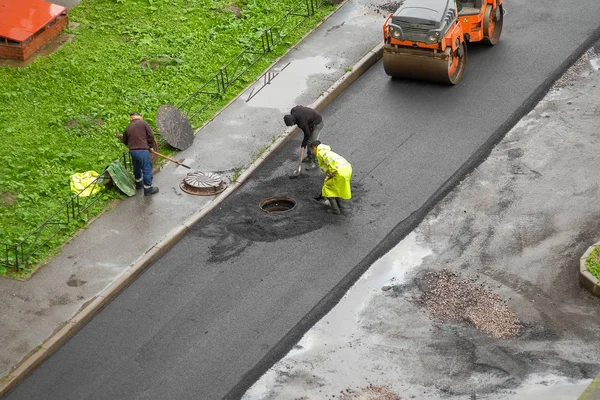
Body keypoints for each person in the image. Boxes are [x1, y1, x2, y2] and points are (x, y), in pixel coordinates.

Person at [114, 112, 159, 196]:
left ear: (131, 118)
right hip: (143, 151)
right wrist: (150, 146)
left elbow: (124, 141)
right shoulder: (144, 123)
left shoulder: (128, 127)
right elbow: (151, 136)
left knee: (137, 167)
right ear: (140, 117)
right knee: (147, 169)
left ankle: (139, 184)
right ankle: (148, 189)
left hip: (133, 152)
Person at [309, 140, 352, 215]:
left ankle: (335, 210)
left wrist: (331, 173)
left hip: (338, 171)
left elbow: (329, 162)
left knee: (328, 189)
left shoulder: (320, 153)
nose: (312, 152)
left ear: (315, 148)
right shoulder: (326, 151)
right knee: (337, 187)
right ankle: (339, 205)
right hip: (347, 169)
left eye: (312, 150)